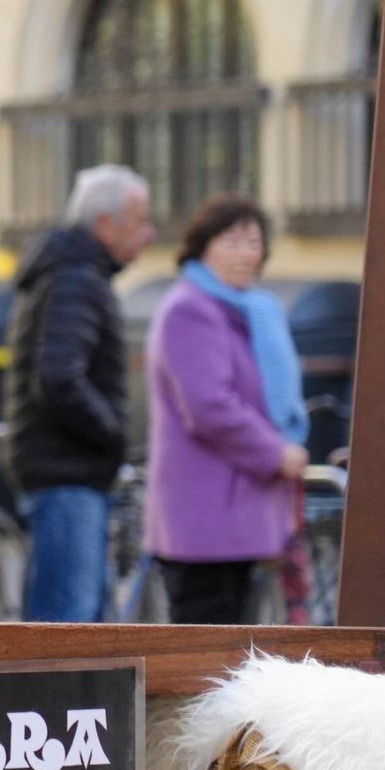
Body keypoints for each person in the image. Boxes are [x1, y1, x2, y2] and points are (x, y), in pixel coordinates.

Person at [144, 194, 309, 624]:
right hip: (205, 522)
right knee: (207, 660)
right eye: (232, 241)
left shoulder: (252, 311)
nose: (246, 253)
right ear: (203, 246)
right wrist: (275, 453)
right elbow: (209, 406)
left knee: (233, 655)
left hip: (236, 516)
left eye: (254, 243)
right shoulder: (190, 310)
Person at [4, 164, 155, 622]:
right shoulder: (75, 279)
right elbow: (58, 379)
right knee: (66, 627)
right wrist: (112, 433)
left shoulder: (72, 273)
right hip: (66, 474)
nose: (148, 235)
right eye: (139, 222)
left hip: (64, 472)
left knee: (74, 619)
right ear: (105, 225)